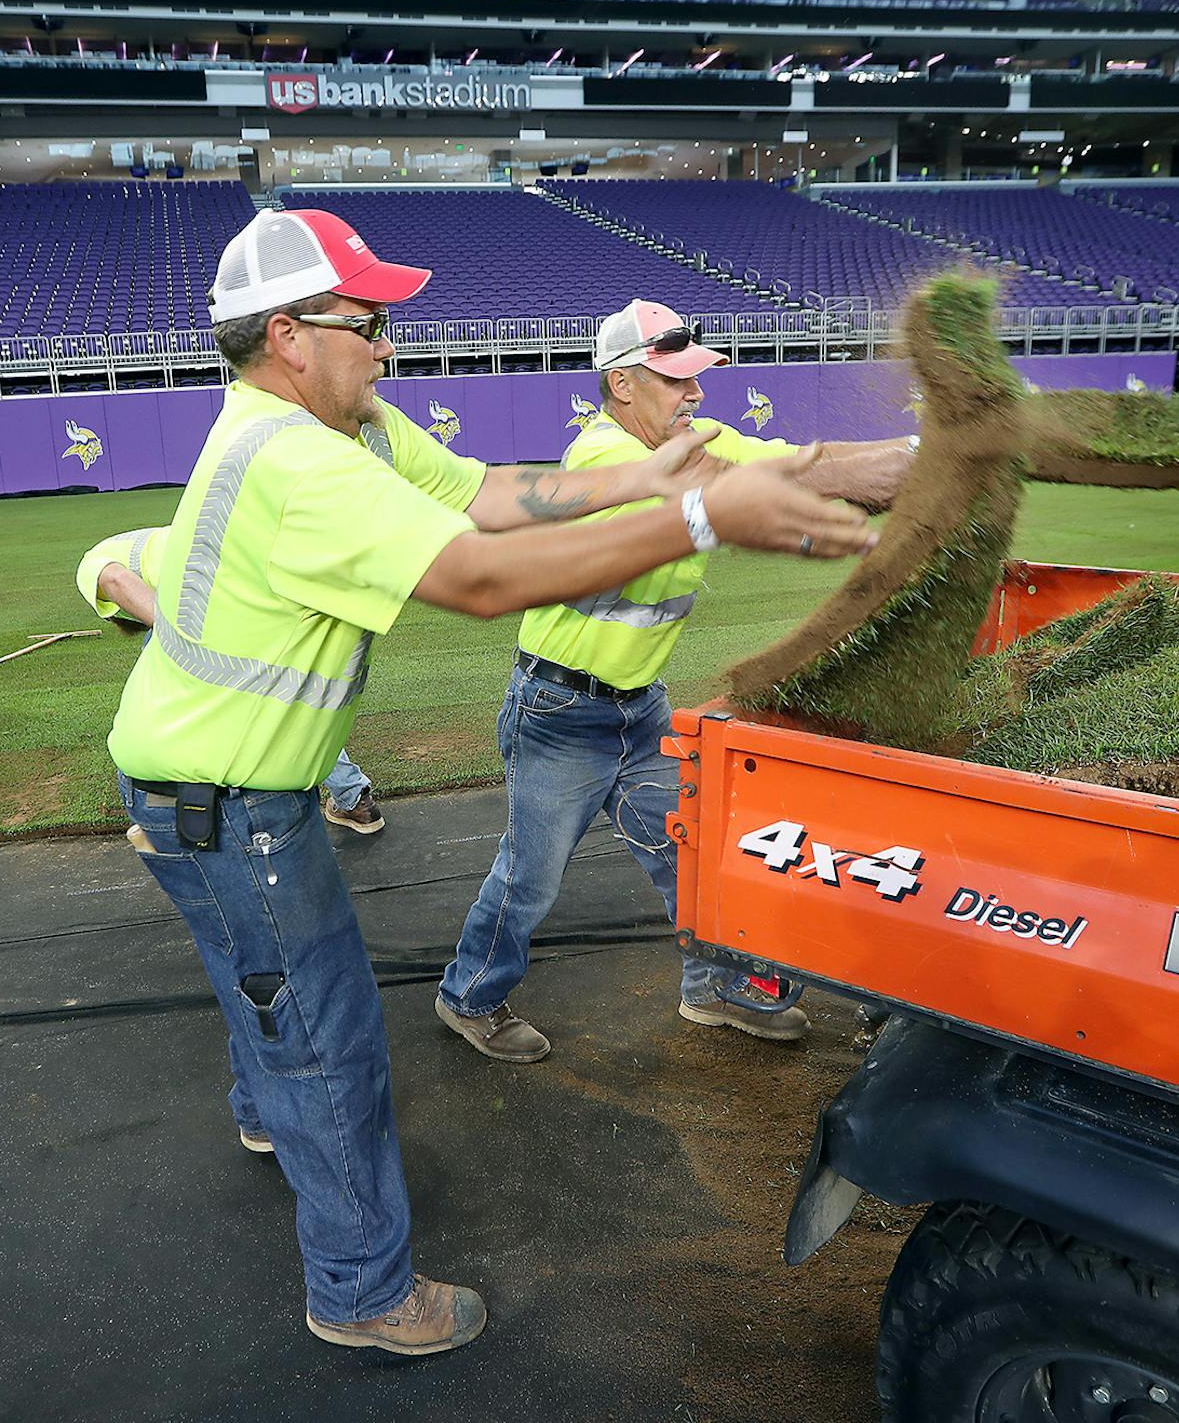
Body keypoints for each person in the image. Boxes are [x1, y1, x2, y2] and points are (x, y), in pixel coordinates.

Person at [108, 210, 872, 1356]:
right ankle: (364, 1291)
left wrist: (650, 484)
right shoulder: (299, 458)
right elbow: (479, 576)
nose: (387, 343)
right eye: (366, 321)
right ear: (289, 335)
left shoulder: (337, 426)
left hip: (202, 793)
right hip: (232, 810)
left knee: (265, 991)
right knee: (333, 1043)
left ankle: (268, 1109)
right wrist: (701, 512)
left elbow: (482, 494)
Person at [436, 299, 921, 1063]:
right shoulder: (603, 456)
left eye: (698, 378)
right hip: (559, 708)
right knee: (529, 877)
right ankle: (470, 996)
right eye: (675, 380)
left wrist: (924, 450)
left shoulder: (693, 438)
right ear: (622, 384)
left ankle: (713, 989)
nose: (696, 393)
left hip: (640, 709)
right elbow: (728, 485)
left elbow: (795, 459)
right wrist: (864, 473)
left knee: (691, 855)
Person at [77, 526, 384, 832]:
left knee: (255, 697)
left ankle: (188, 793)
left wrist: (189, 642)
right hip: (252, 576)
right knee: (288, 695)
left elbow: (115, 580)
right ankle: (354, 798)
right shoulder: (151, 546)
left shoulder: (94, 562)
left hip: (227, 594)